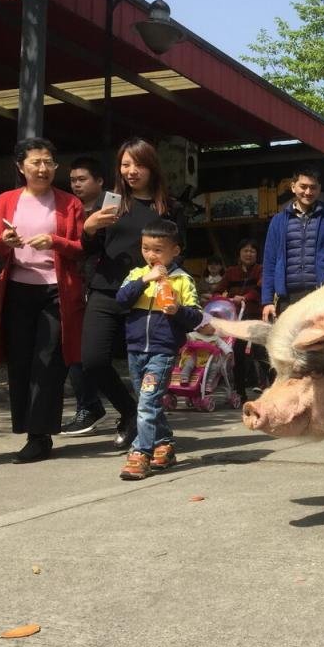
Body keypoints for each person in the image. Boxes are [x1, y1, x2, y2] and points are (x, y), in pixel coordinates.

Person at [0, 138, 85, 463]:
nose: (43, 169)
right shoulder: (6, 200)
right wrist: (4, 242)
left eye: (49, 163)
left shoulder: (70, 203)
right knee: (22, 361)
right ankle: (27, 427)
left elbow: (81, 247)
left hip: (57, 291)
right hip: (17, 291)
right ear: (20, 166)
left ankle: (39, 436)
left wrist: (55, 242)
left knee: (49, 360)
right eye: (36, 162)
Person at [81, 137, 187, 450]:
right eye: (125, 164)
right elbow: (89, 251)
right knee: (93, 360)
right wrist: (88, 228)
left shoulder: (170, 207)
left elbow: (180, 252)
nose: (131, 171)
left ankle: (151, 433)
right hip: (107, 289)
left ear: (151, 167)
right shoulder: (110, 202)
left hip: (148, 297)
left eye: (138, 164)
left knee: (144, 369)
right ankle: (129, 411)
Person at [115, 220, 207, 480]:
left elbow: (196, 317)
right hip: (135, 349)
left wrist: (178, 311)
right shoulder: (136, 274)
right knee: (150, 403)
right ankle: (164, 444)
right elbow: (121, 301)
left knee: (146, 402)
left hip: (162, 351)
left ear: (174, 251)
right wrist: (145, 279)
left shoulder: (182, 279)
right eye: (146, 249)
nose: (151, 255)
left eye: (158, 250)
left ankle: (140, 453)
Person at [60, 156, 108, 436]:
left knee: (90, 354)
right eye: (73, 180)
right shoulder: (69, 209)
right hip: (75, 286)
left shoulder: (112, 206)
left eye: (82, 179)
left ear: (99, 180)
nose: (76, 185)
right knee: (75, 350)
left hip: (107, 287)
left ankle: (131, 412)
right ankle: (89, 405)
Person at [261, 167, 324, 321]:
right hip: (288, 299)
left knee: (321, 343)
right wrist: (267, 301)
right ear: (293, 186)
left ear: (319, 189)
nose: (308, 192)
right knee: (288, 344)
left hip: (323, 297)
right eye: (303, 186)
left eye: (313, 187)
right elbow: (270, 263)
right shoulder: (278, 221)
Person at [214, 239, 265, 403]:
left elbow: (260, 289)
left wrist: (244, 298)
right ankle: (240, 392)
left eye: (252, 251)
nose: (249, 254)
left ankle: (270, 388)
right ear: (239, 253)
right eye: (245, 250)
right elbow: (218, 291)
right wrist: (227, 299)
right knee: (237, 356)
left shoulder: (261, 270)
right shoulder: (230, 272)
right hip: (236, 320)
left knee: (262, 354)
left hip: (256, 317)